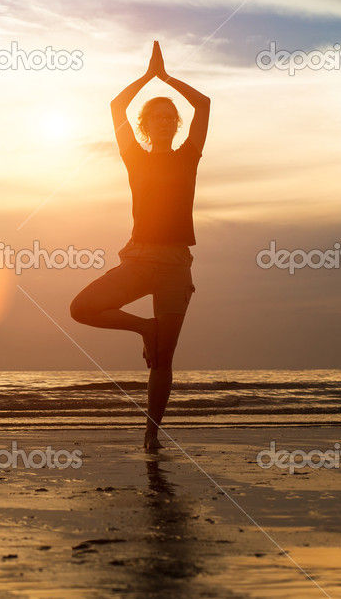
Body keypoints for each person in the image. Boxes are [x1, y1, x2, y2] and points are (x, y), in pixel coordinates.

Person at [70, 40, 210, 451]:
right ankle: (144, 327)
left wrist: (167, 79)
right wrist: (147, 78)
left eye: (171, 117)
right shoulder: (134, 155)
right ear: (146, 125)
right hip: (139, 256)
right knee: (81, 308)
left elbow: (202, 105)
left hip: (175, 264)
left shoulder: (189, 156)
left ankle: (151, 434)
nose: (166, 122)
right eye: (158, 117)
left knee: (164, 360)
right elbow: (117, 105)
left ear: (177, 125)